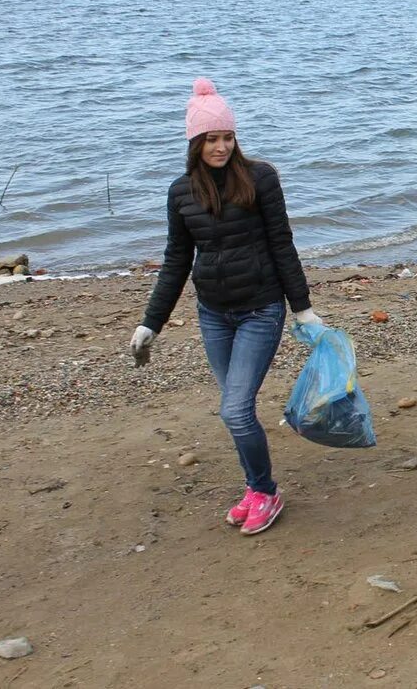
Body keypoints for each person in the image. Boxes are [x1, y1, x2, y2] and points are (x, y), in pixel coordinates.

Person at [131, 78, 320, 535]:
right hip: (213, 313)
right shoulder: (181, 193)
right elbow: (177, 261)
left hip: (260, 309)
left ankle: (266, 492)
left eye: (227, 137)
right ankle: (256, 488)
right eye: (211, 139)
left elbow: (282, 243)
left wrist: (303, 309)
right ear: (194, 143)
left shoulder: (260, 178)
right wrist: (150, 323)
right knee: (237, 411)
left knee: (234, 410)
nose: (221, 146)